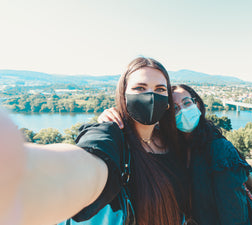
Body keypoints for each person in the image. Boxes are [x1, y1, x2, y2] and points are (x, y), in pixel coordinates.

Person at [0, 57, 188, 225]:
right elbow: (88, 163)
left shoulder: (175, 142)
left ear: (168, 102)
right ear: (123, 96)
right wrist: (22, 173)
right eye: (139, 88)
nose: (151, 96)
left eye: (160, 89)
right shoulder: (111, 137)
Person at [100, 84, 252, 225]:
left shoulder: (218, 149)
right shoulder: (173, 148)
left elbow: (233, 214)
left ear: (197, 104)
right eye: (175, 108)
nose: (183, 110)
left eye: (186, 103)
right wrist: (110, 119)